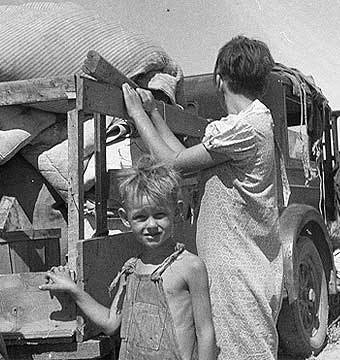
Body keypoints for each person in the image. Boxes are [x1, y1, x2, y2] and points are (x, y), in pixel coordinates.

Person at [122, 35, 283, 359]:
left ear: (220, 79)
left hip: (235, 271)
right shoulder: (251, 123)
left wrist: (137, 115)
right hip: (242, 265)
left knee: (242, 350)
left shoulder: (244, 127)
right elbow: (182, 158)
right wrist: (154, 113)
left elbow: (170, 163)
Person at [39, 157, 217, 360]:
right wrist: (73, 289)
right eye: (141, 217)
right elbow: (110, 323)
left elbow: (206, 333)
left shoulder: (190, 267)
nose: (151, 225)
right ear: (125, 218)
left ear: (176, 212)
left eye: (160, 215)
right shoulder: (131, 270)